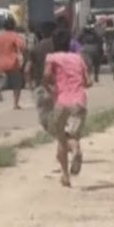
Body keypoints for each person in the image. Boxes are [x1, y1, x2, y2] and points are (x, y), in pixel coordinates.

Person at [43, 28, 93, 187]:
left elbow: (46, 75)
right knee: (70, 135)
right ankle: (73, 155)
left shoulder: (52, 57)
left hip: (61, 101)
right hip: (79, 102)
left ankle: (66, 172)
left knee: (60, 136)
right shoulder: (79, 59)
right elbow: (88, 82)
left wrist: (49, 85)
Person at [0, 17, 26, 109]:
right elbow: (22, 46)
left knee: (2, 79)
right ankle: (15, 103)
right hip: (12, 62)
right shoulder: (15, 36)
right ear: (14, 26)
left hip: (0, 62)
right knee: (17, 83)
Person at [25, 21, 56, 91]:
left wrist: (30, 86)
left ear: (41, 34)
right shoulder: (60, 46)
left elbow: (27, 70)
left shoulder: (35, 48)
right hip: (57, 86)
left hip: (40, 87)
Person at [79, 14, 103, 83]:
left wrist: (93, 31)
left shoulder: (97, 27)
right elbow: (79, 37)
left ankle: (94, 76)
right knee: (91, 63)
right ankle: (92, 76)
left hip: (94, 47)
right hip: (90, 47)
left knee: (94, 63)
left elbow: (100, 36)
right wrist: (84, 30)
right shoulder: (84, 28)